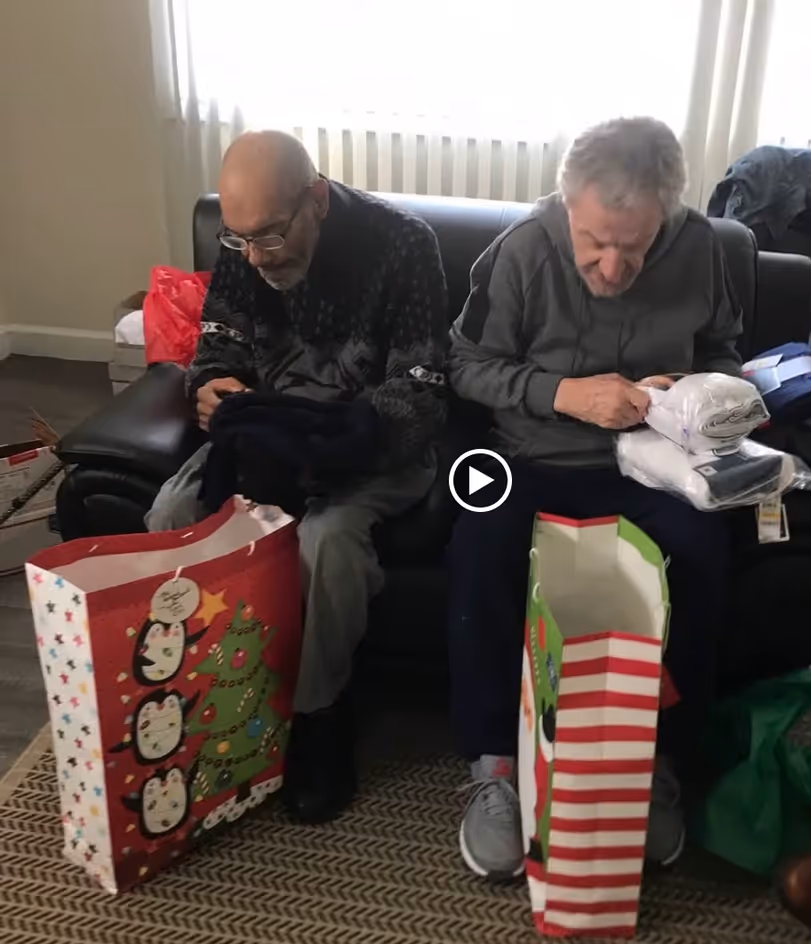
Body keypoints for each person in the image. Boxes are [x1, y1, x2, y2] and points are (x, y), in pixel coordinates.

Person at [447, 117, 742, 879]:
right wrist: (562, 393)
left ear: (667, 218)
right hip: (530, 453)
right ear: (567, 204)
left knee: (707, 548)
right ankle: (494, 767)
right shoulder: (519, 251)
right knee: (478, 535)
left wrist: (694, 391)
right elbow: (465, 366)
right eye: (593, 242)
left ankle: (661, 761)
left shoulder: (702, 247)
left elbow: (724, 356)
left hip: (653, 464)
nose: (612, 267)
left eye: (633, 247)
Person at [145, 131, 448, 823]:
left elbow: (421, 395)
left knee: (325, 545)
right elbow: (217, 343)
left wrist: (326, 447)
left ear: (316, 199)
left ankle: (318, 719)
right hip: (266, 437)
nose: (254, 257)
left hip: (370, 443)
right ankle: (210, 698)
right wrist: (214, 384)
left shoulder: (404, 245)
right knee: (170, 515)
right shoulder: (243, 243)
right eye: (240, 239)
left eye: (271, 237)